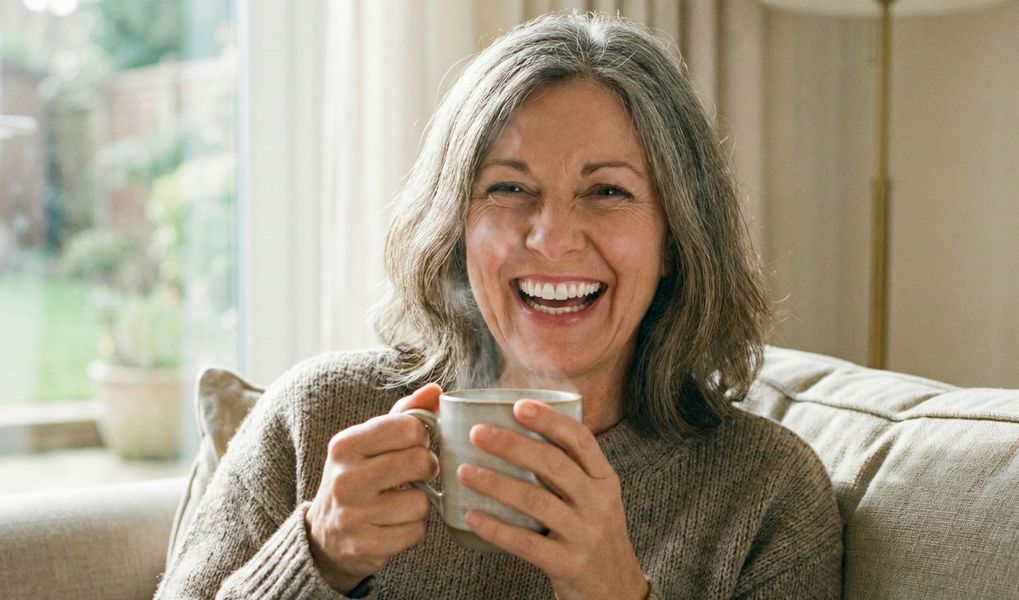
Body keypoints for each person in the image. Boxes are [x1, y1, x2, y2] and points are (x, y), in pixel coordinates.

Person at [157, 12, 842, 599]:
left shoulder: (766, 493)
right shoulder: (313, 420)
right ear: (456, 230)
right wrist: (318, 557)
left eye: (606, 192)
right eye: (508, 189)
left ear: (675, 239)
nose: (549, 237)